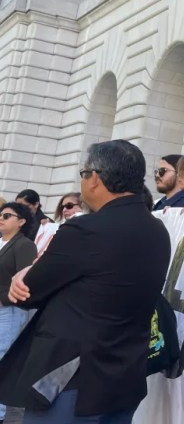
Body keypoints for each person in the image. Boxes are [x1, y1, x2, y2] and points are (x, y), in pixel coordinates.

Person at [0, 140, 171, 423]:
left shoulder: (85, 229)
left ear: (95, 178)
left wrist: (26, 272)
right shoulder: (157, 230)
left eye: (83, 173)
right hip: (125, 375)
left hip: (72, 377)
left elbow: (29, 292)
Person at [0, 202, 37, 424]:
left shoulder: (24, 245)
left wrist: (3, 299)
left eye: (7, 215)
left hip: (9, 311)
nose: (1, 218)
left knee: (2, 358)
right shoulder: (2, 242)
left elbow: (27, 282)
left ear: (21, 221)